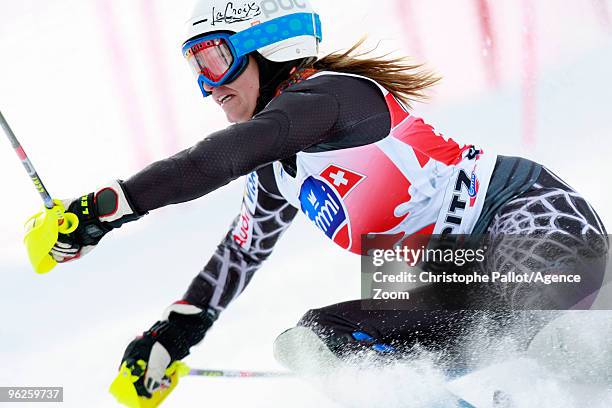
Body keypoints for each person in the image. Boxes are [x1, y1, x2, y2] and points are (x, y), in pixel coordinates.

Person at [44, 0, 609, 401]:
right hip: (452, 277)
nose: (208, 86)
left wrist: (103, 209)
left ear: (268, 46)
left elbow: (209, 161)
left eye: (214, 60)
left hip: (525, 219)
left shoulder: (333, 96)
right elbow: (237, 257)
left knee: (554, 340)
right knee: (319, 343)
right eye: (195, 71)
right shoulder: (277, 173)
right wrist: (170, 338)